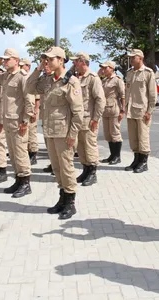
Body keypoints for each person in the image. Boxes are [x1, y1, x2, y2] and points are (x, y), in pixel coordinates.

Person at [26, 46, 83, 219]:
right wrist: (38, 69)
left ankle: (71, 203)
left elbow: (78, 112)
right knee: (57, 168)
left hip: (64, 133)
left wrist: (73, 134)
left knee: (66, 168)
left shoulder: (71, 82)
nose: (47, 62)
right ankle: (62, 197)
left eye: (50, 59)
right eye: (46, 59)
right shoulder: (49, 80)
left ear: (61, 60)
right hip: (50, 131)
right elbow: (29, 88)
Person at [0, 49, 35, 197]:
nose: (5, 61)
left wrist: (26, 120)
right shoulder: (6, 76)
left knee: (21, 153)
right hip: (8, 120)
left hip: (18, 121)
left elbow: (29, 100)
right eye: (4, 59)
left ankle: (26, 183)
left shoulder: (23, 77)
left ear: (16, 60)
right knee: (13, 154)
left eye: (7, 59)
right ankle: (18, 180)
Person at [70, 52, 106, 186]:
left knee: (90, 146)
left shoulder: (93, 78)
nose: (73, 64)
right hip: (78, 119)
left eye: (76, 61)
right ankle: (85, 170)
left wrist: (96, 118)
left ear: (82, 62)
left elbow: (100, 100)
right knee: (81, 147)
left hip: (88, 119)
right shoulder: (76, 78)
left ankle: (92, 173)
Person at [124, 49, 157, 173]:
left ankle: (143, 162)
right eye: (130, 57)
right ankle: (136, 160)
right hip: (130, 110)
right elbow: (127, 91)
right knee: (133, 137)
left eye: (133, 57)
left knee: (143, 137)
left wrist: (149, 111)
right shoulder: (129, 73)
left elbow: (152, 94)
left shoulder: (148, 73)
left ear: (140, 58)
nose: (131, 59)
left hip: (142, 110)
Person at [99, 61, 125, 165]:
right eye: (103, 68)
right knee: (108, 134)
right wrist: (100, 73)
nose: (104, 70)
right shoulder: (104, 80)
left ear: (111, 68)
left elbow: (123, 95)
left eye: (105, 68)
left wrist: (123, 110)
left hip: (114, 108)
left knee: (115, 133)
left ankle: (117, 156)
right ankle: (112, 155)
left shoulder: (117, 80)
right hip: (105, 109)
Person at [20, 58, 40, 165]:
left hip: (32, 110)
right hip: (23, 110)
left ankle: (33, 154)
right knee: (25, 133)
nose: (21, 67)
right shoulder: (22, 78)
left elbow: (37, 98)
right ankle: (26, 152)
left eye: (23, 65)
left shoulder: (32, 79)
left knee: (32, 132)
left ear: (28, 66)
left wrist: (35, 111)